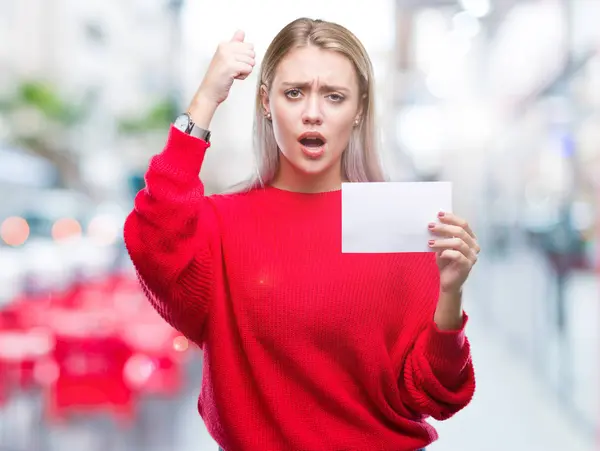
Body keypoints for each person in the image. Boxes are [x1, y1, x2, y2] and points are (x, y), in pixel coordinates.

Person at [124, 17, 479, 451]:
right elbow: (152, 242)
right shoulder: (224, 225)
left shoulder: (397, 221)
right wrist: (205, 99)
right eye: (294, 93)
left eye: (334, 96)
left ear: (360, 109)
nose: (313, 112)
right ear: (266, 102)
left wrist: (451, 293)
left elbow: (433, 391)